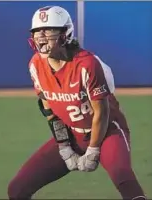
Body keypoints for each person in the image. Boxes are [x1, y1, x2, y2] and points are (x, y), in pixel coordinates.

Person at [8, 5, 146, 200]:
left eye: (48, 30)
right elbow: (49, 110)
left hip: (107, 131)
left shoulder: (87, 64)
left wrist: (94, 148)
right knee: (17, 189)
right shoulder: (36, 64)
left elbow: (101, 112)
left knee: (124, 178)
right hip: (72, 133)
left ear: (65, 33)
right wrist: (63, 144)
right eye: (37, 31)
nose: (41, 36)